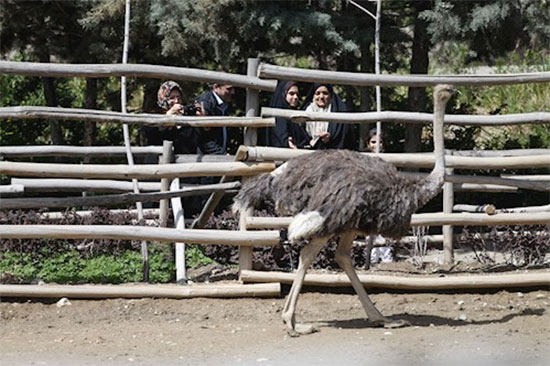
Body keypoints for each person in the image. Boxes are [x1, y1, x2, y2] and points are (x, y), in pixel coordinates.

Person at [295, 83, 355, 150]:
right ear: (313, 95)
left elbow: (345, 140)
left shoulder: (339, 113)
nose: (321, 97)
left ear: (330, 95)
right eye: (317, 93)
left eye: (325, 93)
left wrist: (330, 139)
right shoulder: (304, 113)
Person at [194, 83, 235, 155]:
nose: (233, 92)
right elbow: (203, 138)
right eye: (228, 89)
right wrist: (221, 154)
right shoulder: (205, 103)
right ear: (216, 87)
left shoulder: (225, 103)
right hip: (207, 157)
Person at [266, 80, 301, 148]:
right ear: (283, 94)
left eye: (297, 94)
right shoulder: (278, 115)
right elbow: (281, 138)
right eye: (291, 94)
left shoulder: (296, 114)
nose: (296, 97)